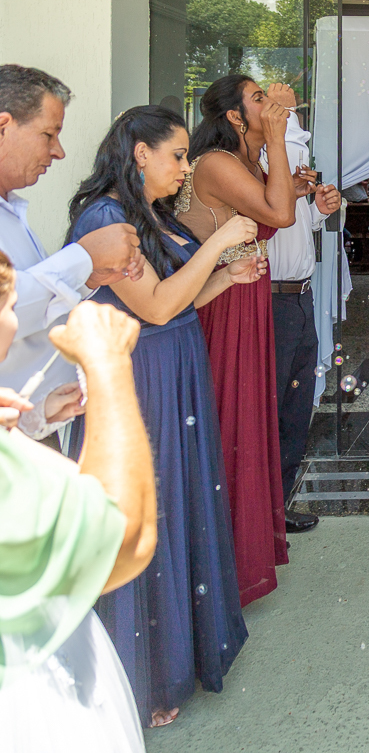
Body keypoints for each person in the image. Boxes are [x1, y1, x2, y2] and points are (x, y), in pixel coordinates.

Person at [64, 105, 261, 726]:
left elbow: (177, 301)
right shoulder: (106, 219)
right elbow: (151, 307)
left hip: (175, 369)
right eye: (177, 156)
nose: (185, 169)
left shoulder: (151, 215)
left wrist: (225, 278)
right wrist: (221, 243)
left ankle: (175, 656)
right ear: (139, 153)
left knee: (175, 502)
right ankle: (138, 677)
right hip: (138, 379)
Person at [0, 270, 157, 752]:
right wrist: (108, 367)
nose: (14, 322)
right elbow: (124, 543)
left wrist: (26, 425)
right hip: (32, 700)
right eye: (8, 306)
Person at [175, 73, 296, 606]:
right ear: (233, 116)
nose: (269, 103)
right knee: (231, 422)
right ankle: (220, 565)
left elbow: (279, 205)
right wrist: (278, 138)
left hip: (248, 296)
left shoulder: (246, 162)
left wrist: (302, 185)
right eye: (258, 98)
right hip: (221, 304)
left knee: (250, 419)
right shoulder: (216, 163)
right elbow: (278, 214)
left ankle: (243, 555)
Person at [0, 64, 144, 437]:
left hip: (24, 425)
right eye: (48, 134)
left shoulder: (11, 211)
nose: (58, 151)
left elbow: (28, 310)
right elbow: (7, 305)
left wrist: (88, 276)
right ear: (3, 127)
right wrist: (84, 257)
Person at [262, 83, 342, 535]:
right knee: (274, 408)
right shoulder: (258, 160)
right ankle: (264, 509)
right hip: (271, 296)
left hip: (300, 294)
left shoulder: (287, 156)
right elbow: (268, 217)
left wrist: (317, 211)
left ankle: (279, 504)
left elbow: (293, 225)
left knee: (295, 410)